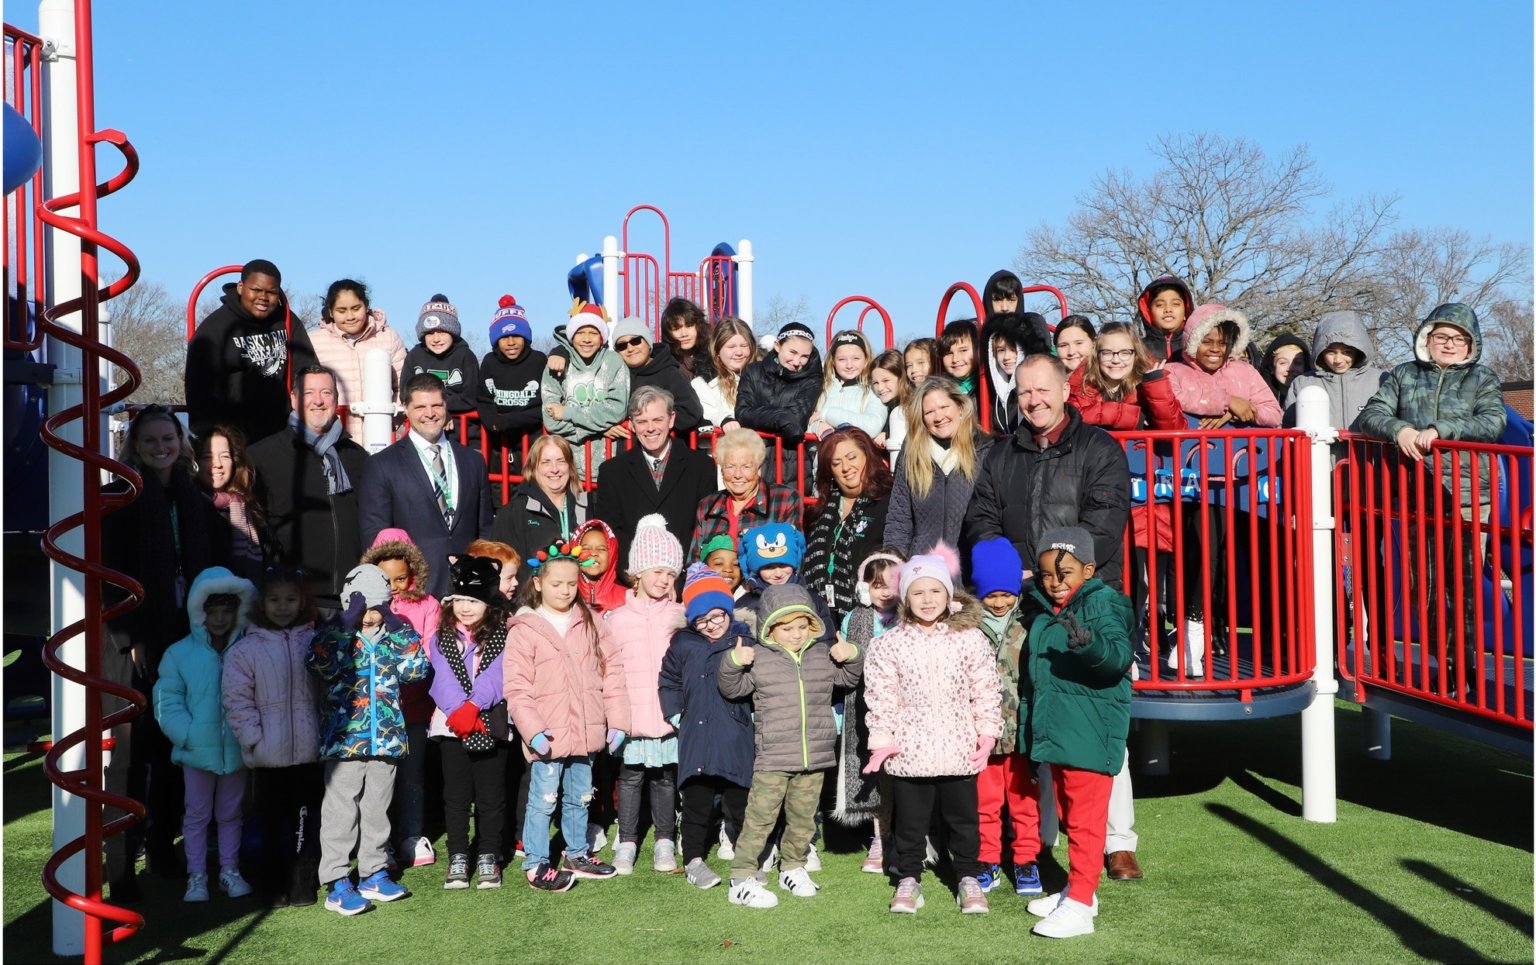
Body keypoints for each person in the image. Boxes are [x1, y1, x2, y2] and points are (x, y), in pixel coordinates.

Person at [102, 405, 223, 893]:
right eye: (150, 440)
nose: (160, 448)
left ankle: (163, 845)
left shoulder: (192, 496)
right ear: (134, 444)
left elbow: (209, 565)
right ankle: (121, 856)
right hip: (134, 638)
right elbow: (109, 572)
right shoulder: (120, 497)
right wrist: (130, 638)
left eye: (167, 439)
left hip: (183, 630)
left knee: (179, 743)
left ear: (180, 441)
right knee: (130, 751)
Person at [1356, 303, 1507, 692]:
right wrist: (1400, 430)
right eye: (1442, 336)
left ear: (1471, 344)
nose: (1450, 344)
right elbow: (1372, 414)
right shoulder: (1404, 375)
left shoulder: (1482, 377)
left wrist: (1442, 429)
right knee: (1421, 586)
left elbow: (1493, 422)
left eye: (1459, 338)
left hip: (1468, 496)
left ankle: (1463, 670)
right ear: (1428, 338)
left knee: (1463, 586)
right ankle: (1446, 659)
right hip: (1414, 496)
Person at [861, 552, 1002, 916]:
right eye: (918, 592)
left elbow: (985, 688)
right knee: (910, 822)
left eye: (935, 591)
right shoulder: (889, 644)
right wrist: (881, 740)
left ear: (948, 595)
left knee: (963, 820)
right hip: (909, 751)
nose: (927, 600)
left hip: (959, 747)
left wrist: (987, 734)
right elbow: (881, 696)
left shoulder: (969, 639)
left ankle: (968, 876)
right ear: (906, 597)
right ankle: (909, 878)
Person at [717, 583, 864, 909]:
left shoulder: (820, 656)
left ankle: (793, 867)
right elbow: (732, 688)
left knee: (803, 819)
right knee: (760, 818)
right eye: (787, 628)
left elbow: (848, 679)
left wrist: (851, 655)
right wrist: (733, 661)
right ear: (770, 626)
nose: (796, 634)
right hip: (773, 757)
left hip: (815, 755)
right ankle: (742, 877)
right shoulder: (760, 658)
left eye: (802, 626)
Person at [1019, 528, 1135, 939]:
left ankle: (1082, 903)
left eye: (1065, 572)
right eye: (1048, 574)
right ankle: (1077, 887)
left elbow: (1118, 657)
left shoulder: (1102, 604)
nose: (1055, 582)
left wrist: (1091, 645)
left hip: (1090, 734)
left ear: (1088, 569)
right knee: (1070, 816)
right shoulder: (1045, 608)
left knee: (1085, 822)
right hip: (1061, 733)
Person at [504, 540, 630, 890]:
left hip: (586, 730)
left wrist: (617, 720)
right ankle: (536, 862)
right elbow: (516, 687)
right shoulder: (526, 627)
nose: (564, 591)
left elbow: (613, 670)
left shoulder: (591, 621)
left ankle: (576, 852)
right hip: (548, 734)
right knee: (543, 800)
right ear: (539, 583)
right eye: (556, 584)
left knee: (581, 796)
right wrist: (533, 730)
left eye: (571, 584)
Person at [308, 563, 427, 915]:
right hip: (345, 743)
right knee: (341, 809)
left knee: (377, 808)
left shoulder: (394, 638)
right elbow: (317, 663)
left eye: (377, 610)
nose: (370, 618)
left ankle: (374, 871)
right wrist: (344, 625)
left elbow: (416, 670)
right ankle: (336, 879)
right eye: (363, 611)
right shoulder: (338, 636)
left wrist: (399, 629)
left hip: (387, 740)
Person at [962, 355, 1131, 590]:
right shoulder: (999, 456)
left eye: (1043, 390)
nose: (1034, 401)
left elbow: (1103, 525)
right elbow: (982, 520)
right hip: (1018, 593)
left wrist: (1048, 573)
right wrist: (1005, 570)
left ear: (1064, 391)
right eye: (1025, 393)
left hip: (1085, 596)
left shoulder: (1100, 449)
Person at [220, 565, 323, 907]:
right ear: (261, 603)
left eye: (290, 599)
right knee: (270, 822)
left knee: (305, 821)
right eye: (274, 600)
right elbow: (236, 698)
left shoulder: (313, 639)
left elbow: (329, 687)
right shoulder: (245, 650)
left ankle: (302, 882)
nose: (282, 606)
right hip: (267, 754)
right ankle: (273, 884)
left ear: (302, 601)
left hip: (309, 752)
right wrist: (252, 737)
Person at [153, 566, 258, 903]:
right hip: (197, 752)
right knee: (196, 815)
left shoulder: (247, 649)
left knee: (231, 814)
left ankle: (229, 871)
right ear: (200, 613)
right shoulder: (178, 653)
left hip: (237, 750)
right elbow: (167, 701)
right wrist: (187, 735)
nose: (220, 619)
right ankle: (196, 877)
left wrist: (250, 735)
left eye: (227, 612)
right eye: (212, 612)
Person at [659, 564, 757, 890]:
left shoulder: (745, 639)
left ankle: (747, 859)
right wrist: (675, 715)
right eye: (702, 620)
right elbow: (668, 681)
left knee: (740, 801)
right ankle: (693, 860)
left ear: (728, 610)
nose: (711, 626)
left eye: (717, 616)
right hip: (696, 736)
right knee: (696, 804)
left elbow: (759, 682)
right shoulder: (683, 644)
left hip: (734, 734)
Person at [358, 373, 495, 599]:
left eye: (436, 405)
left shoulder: (473, 461)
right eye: (420, 406)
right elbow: (376, 540)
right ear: (406, 408)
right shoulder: (382, 465)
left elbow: (485, 532)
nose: (430, 414)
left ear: (446, 405)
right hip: (414, 595)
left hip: (468, 594)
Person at [605, 515, 686, 875]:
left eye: (670, 574)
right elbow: (609, 669)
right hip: (632, 717)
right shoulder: (616, 619)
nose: (664, 580)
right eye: (657, 571)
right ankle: (627, 840)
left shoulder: (679, 615)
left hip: (667, 715)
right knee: (631, 777)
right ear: (637, 572)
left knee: (666, 778)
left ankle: (665, 840)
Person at [248, 365, 370, 606]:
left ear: (336, 399)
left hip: (351, 596)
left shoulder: (358, 457)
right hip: (292, 599)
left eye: (326, 393)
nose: (318, 401)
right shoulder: (261, 456)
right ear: (294, 398)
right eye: (308, 393)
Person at [429, 555, 513, 891]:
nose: (466, 608)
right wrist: (458, 712)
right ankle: (459, 855)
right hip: (451, 727)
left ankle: (489, 854)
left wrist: (475, 707)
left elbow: (500, 674)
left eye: (474, 601)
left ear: (488, 604)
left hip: (491, 722)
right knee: (457, 796)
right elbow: (440, 677)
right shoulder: (441, 637)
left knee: (492, 796)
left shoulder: (505, 634)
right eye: (460, 600)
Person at [360, 528, 441, 872]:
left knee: (412, 775)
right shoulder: (362, 607)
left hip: (414, 707)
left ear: (414, 574)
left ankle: (411, 834)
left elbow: (429, 651)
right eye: (385, 579)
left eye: (401, 578)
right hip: (377, 712)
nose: (393, 587)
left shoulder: (428, 605)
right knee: (379, 779)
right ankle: (380, 843)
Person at [968, 537, 1043, 898]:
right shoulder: (965, 625)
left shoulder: (1031, 620)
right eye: (990, 595)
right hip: (983, 733)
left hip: (1023, 731)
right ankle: (987, 859)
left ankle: (1027, 858)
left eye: (1005, 594)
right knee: (985, 801)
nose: (999, 602)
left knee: (1024, 801)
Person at [185, 258, 318, 442]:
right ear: (241, 287)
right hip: (234, 437)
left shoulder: (287, 321)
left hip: (282, 432)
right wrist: (212, 439)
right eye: (256, 290)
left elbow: (307, 369)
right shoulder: (215, 328)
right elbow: (199, 391)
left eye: (271, 292)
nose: (263, 297)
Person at [831, 548, 906, 874]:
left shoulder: (910, 615)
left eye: (891, 583)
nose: (885, 591)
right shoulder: (854, 619)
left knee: (903, 776)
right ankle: (880, 838)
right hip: (865, 708)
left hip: (905, 709)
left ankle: (907, 838)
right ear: (865, 588)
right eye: (877, 585)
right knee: (875, 776)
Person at [590, 386, 718, 557]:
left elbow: (706, 529)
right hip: (634, 576)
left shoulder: (702, 466)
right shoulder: (612, 472)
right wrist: (632, 576)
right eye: (642, 421)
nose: (650, 428)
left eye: (657, 420)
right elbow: (610, 533)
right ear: (632, 424)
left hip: (686, 574)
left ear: (671, 419)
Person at [886, 378, 993, 563]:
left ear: (960, 407)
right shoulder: (911, 453)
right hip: (923, 574)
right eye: (929, 412)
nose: (938, 416)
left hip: (970, 574)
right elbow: (899, 518)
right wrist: (892, 565)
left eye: (944, 407)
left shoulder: (985, 449)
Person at [801, 427, 893, 626]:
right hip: (820, 615)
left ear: (867, 457)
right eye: (836, 463)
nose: (846, 467)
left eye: (852, 457)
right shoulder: (821, 511)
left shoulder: (889, 501)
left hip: (872, 615)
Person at [307, 278, 406, 439]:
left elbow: (403, 385)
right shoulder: (315, 342)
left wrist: (392, 419)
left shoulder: (388, 337)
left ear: (366, 306)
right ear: (331, 312)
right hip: (335, 437)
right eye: (342, 310)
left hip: (381, 435)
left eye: (356, 308)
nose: (350, 316)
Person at [542, 304, 630, 477]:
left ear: (602, 337)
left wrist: (569, 412)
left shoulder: (614, 362)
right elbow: (551, 420)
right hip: (567, 467)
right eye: (580, 332)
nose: (587, 339)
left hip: (609, 463)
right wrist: (601, 427)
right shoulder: (556, 365)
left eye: (593, 333)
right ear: (572, 335)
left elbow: (617, 410)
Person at [688, 428, 801, 561]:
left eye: (746, 467)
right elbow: (694, 562)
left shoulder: (785, 499)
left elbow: (794, 558)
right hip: (713, 581)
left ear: (759, 469)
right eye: (730, 467)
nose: (737, 475)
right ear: (722, 470)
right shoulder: (707, 505)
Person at [490, 434, 591, 582]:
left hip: (579, 599)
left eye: (561, 461)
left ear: (570, 467)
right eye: (546, 462)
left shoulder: (586, 506)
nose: (554, 469)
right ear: (534, 467)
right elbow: (500, 566)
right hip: (532, 602)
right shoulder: (514, 512)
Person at [1168, 304, 1282, 429]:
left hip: (1242, 447)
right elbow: (1171, 400)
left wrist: (1236, 411)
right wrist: (1227, 402)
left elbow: (1274, 414)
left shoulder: (1246, 372)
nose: (1215, 349)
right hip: (1192, 447)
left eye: (1223, 343)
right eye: (1206, 342)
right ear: (1192, 342)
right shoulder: (1172, 371)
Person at [475, 295, 547, 471]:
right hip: (498, 445)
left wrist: (507, 421)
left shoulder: (538, 361)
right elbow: (482, 399)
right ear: (495, 340)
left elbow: (546, 406)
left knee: (534, 489)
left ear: (526, 337)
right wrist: (493, 422)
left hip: (533, 443)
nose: (511, 342)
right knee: (498, 490)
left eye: (517, 335)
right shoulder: (489, 362)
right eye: (504, 337)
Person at [1283, 310, 1388, 430]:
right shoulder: (1303, 383)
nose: (1338, 360)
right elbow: (1288, 427)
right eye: (1330, 352)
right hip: (1320, 449)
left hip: (1367, 449)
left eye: (1347, 352)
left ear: (1358, 351)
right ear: (1320, 351)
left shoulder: (1380, 380)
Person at [735, 321, 824, 451]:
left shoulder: (812, 380)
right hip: (754, 455)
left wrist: (761, 417)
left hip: (792, 460)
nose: (797, 362)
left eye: (804, 356)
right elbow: (742, 412)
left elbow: (796, 420)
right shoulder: (753, 371)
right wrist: (781, 417)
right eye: (792, 352)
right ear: (777, 346)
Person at [610, 316, 705, 436]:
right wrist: (605, 426)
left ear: (648, 343)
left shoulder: (670, 373)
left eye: (636, 341)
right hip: (625, 451)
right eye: (622, 346)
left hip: (663, 450)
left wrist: (650, 422)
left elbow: (690, 411)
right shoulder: (614, 377)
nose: (630, 348)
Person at [197, 424, 267, 582]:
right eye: (208, 457)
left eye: (225, 456)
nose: (218, 464)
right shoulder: (189, 505)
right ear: (196, 462)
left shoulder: (247, 508)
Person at [402, 294, 479, 428]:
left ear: (453, 333)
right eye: (430, 333)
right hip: (424, 427)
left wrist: (442, 409)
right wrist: (437, 409)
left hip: (463, 432)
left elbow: (471, 397)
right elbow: (405, 393)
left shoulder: (465, 356)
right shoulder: (414, 356)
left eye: (442, 332)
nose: (436, 338)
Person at [980, 312, 1051, 435]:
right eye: (1001, 350)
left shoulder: (1037, 387)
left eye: (1013, 350)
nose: (1007, 357)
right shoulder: (993, 391)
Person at [810, 330, 885, 439]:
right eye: (842, 359)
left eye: (856, 358)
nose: (849, 365)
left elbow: (872, 426)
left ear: (866, 358)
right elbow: (805, 420)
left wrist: (827, 414)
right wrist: (817, 427)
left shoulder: (873, 388)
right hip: (822, 455)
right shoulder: (821, 385)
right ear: (833, 361)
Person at [691, 316, 757, 431]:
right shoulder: (702, 383)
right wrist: (724, 419)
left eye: (744, 345)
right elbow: (707, 411)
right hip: (722, 445)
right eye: (731, 347)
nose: (739, 352)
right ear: (717, 350)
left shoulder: (762, 378)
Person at [1134, 274, 1194, 364]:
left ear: (1186, 308)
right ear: (1148, 311)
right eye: (1159, 305)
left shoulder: (1197, 346)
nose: (1168, 309)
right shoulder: (1137, 349)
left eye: (1175, 304)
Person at [574, 519, 627, 612]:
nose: (594, 553)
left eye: (602, 549)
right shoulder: (566, 595)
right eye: (586, 548)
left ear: (612, 554)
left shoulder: (627, 597)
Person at [661, 297, 715, 382]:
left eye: (689, 326)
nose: (684, 334)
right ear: (668, 333)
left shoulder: (715, 355)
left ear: (699, 326)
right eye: (676, 328)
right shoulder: (665, 365)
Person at [868, 349, 909, 457]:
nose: (880, 388)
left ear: (901, 378)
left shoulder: (909, 405)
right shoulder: (878, 405)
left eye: (886, 381)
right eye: (875, 383)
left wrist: (888, 434)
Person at [1259, 332, 1311, 406]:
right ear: (1271, 368)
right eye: (1283, 363)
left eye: (1298, 363)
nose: (1290, 368)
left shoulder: (1314, 397)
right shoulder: (1260, 399)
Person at [939, 319, 982, 398]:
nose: (955, 359)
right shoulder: (941, 390)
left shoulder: (988, 385)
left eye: (963, 350)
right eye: (949, 353)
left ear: (978, 350)